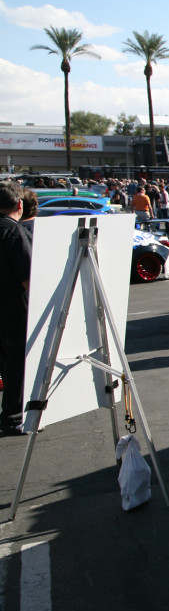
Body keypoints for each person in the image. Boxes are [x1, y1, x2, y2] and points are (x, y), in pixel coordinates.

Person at [0, 181, 32, 435]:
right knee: (16, 367)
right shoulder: (14, 232)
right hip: (13, 309)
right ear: (19, 205)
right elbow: (27, 277)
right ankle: (13, 418)